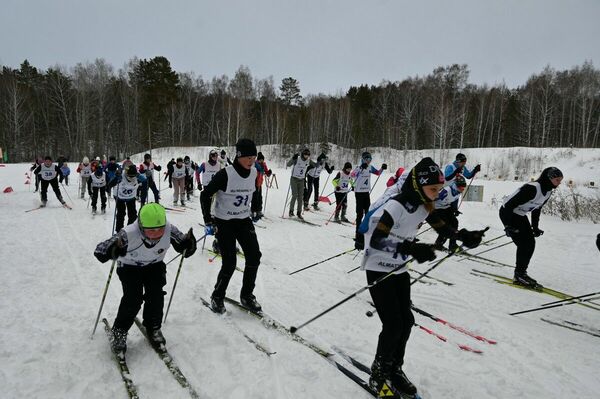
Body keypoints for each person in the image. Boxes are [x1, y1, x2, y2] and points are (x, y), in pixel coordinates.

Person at [360, 157, 485, 398]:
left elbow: (441, 227)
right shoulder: (397, 205)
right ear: (418, 186)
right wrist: (410, 249)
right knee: (393, 324)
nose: (437, 194)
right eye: (433, 189)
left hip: (398, 269)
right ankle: (378, 374)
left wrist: (463, 236)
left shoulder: (425, 205)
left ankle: (394, 369)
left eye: (439, 189)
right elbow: (377, 239)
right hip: (378, 267)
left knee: (407, 321)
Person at [93, 203, 197, 353]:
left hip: (154, 265)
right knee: (133, 298)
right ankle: (119, 330)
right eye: (151, 230)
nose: (156, 233)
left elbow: (183, 245)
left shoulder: (168, 228)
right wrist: (112, 249)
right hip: (129, 267)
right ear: (141, 226)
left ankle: (153, 326)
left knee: (156, 295)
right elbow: (100, 250)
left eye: (160, 229)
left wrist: (189, 244)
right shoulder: (129, 233)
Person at [200, 138, 263, 314]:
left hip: (243, 220)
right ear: (239, 156)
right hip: (224, 221)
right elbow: (205, 196)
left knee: (254, 256)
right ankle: (217, 296)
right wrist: (208, 220)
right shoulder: (225, 174)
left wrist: (257, 209)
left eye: (254, 157)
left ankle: (247, 295)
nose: (252, 161)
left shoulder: (253, 172)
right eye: (248, 157)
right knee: (229, 262)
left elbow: (255, 192)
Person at [499, 167, 563, 287]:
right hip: (508, 213)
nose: (559, 183)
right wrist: (507, 225)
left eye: (560, 180)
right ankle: (519, 275)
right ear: (549, 178)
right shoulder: (532, 188)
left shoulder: (548, 191)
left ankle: (521, 273)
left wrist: (535, 227)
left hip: (520, 215)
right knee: (525, 244)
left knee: (530, 244)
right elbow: (507, 206)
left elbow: (536, 209)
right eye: (557, 180)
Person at [352, 152, 387, 249]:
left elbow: (378, 173)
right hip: (358, 193)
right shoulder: (358, 167)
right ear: (363, 159)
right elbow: (352, 175)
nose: (368, 161)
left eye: (370, 159)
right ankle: (358, 235)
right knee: (359, 214)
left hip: (366, 193)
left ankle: (366, 234)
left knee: (368, 213)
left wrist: (382, 168)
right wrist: (360, 169)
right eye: (367, 159)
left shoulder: (370, 167)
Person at [107, 164, 147, 233]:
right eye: (129, 176)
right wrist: (116, 177)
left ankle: (130, 230)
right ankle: (119, 231)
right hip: (120, 197)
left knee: (133, 214)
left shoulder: (138, 176)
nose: (131, 178)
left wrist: (148, 177)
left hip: (131, 197)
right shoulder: (121, 175)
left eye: (133, 176)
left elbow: (146, 182)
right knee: (121, 213)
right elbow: (110, 184)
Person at [432, 174, 467, 252]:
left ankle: (452, 245)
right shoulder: (446, 191)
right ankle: (438, 243)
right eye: (461, 187)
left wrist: (455, 210)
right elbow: (433, 198)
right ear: (456, 185)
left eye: (464, 187)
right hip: (437, 208)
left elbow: (455, 200)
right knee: (447, 225)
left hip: (446, 207)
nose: (462, 189)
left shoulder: (458, 192)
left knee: (455, 222)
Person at [286, 148, 315, 219]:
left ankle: (299, 212)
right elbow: (288, 164)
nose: (306, 156)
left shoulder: (308, 160)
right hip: (294, 179)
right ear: (303, 154)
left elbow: (315, 165)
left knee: (300, 197)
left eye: (308, 155)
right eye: (305, 154)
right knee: (294, 195)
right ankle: (291, 211)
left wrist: (319, 162)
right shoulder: (297, 159)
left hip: (302, 180)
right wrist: (293, 158)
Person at [251, 152, 272, 221]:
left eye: (262, 160)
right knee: (255, 197)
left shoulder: (263, 164)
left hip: (260, 183)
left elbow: (266, 172)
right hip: (254, 182)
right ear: (258, 159)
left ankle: (259, 210)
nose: (261, 161)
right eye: (260, 160)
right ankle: (253, 210)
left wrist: (269, 172)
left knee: (259, 197)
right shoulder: (255, 164)